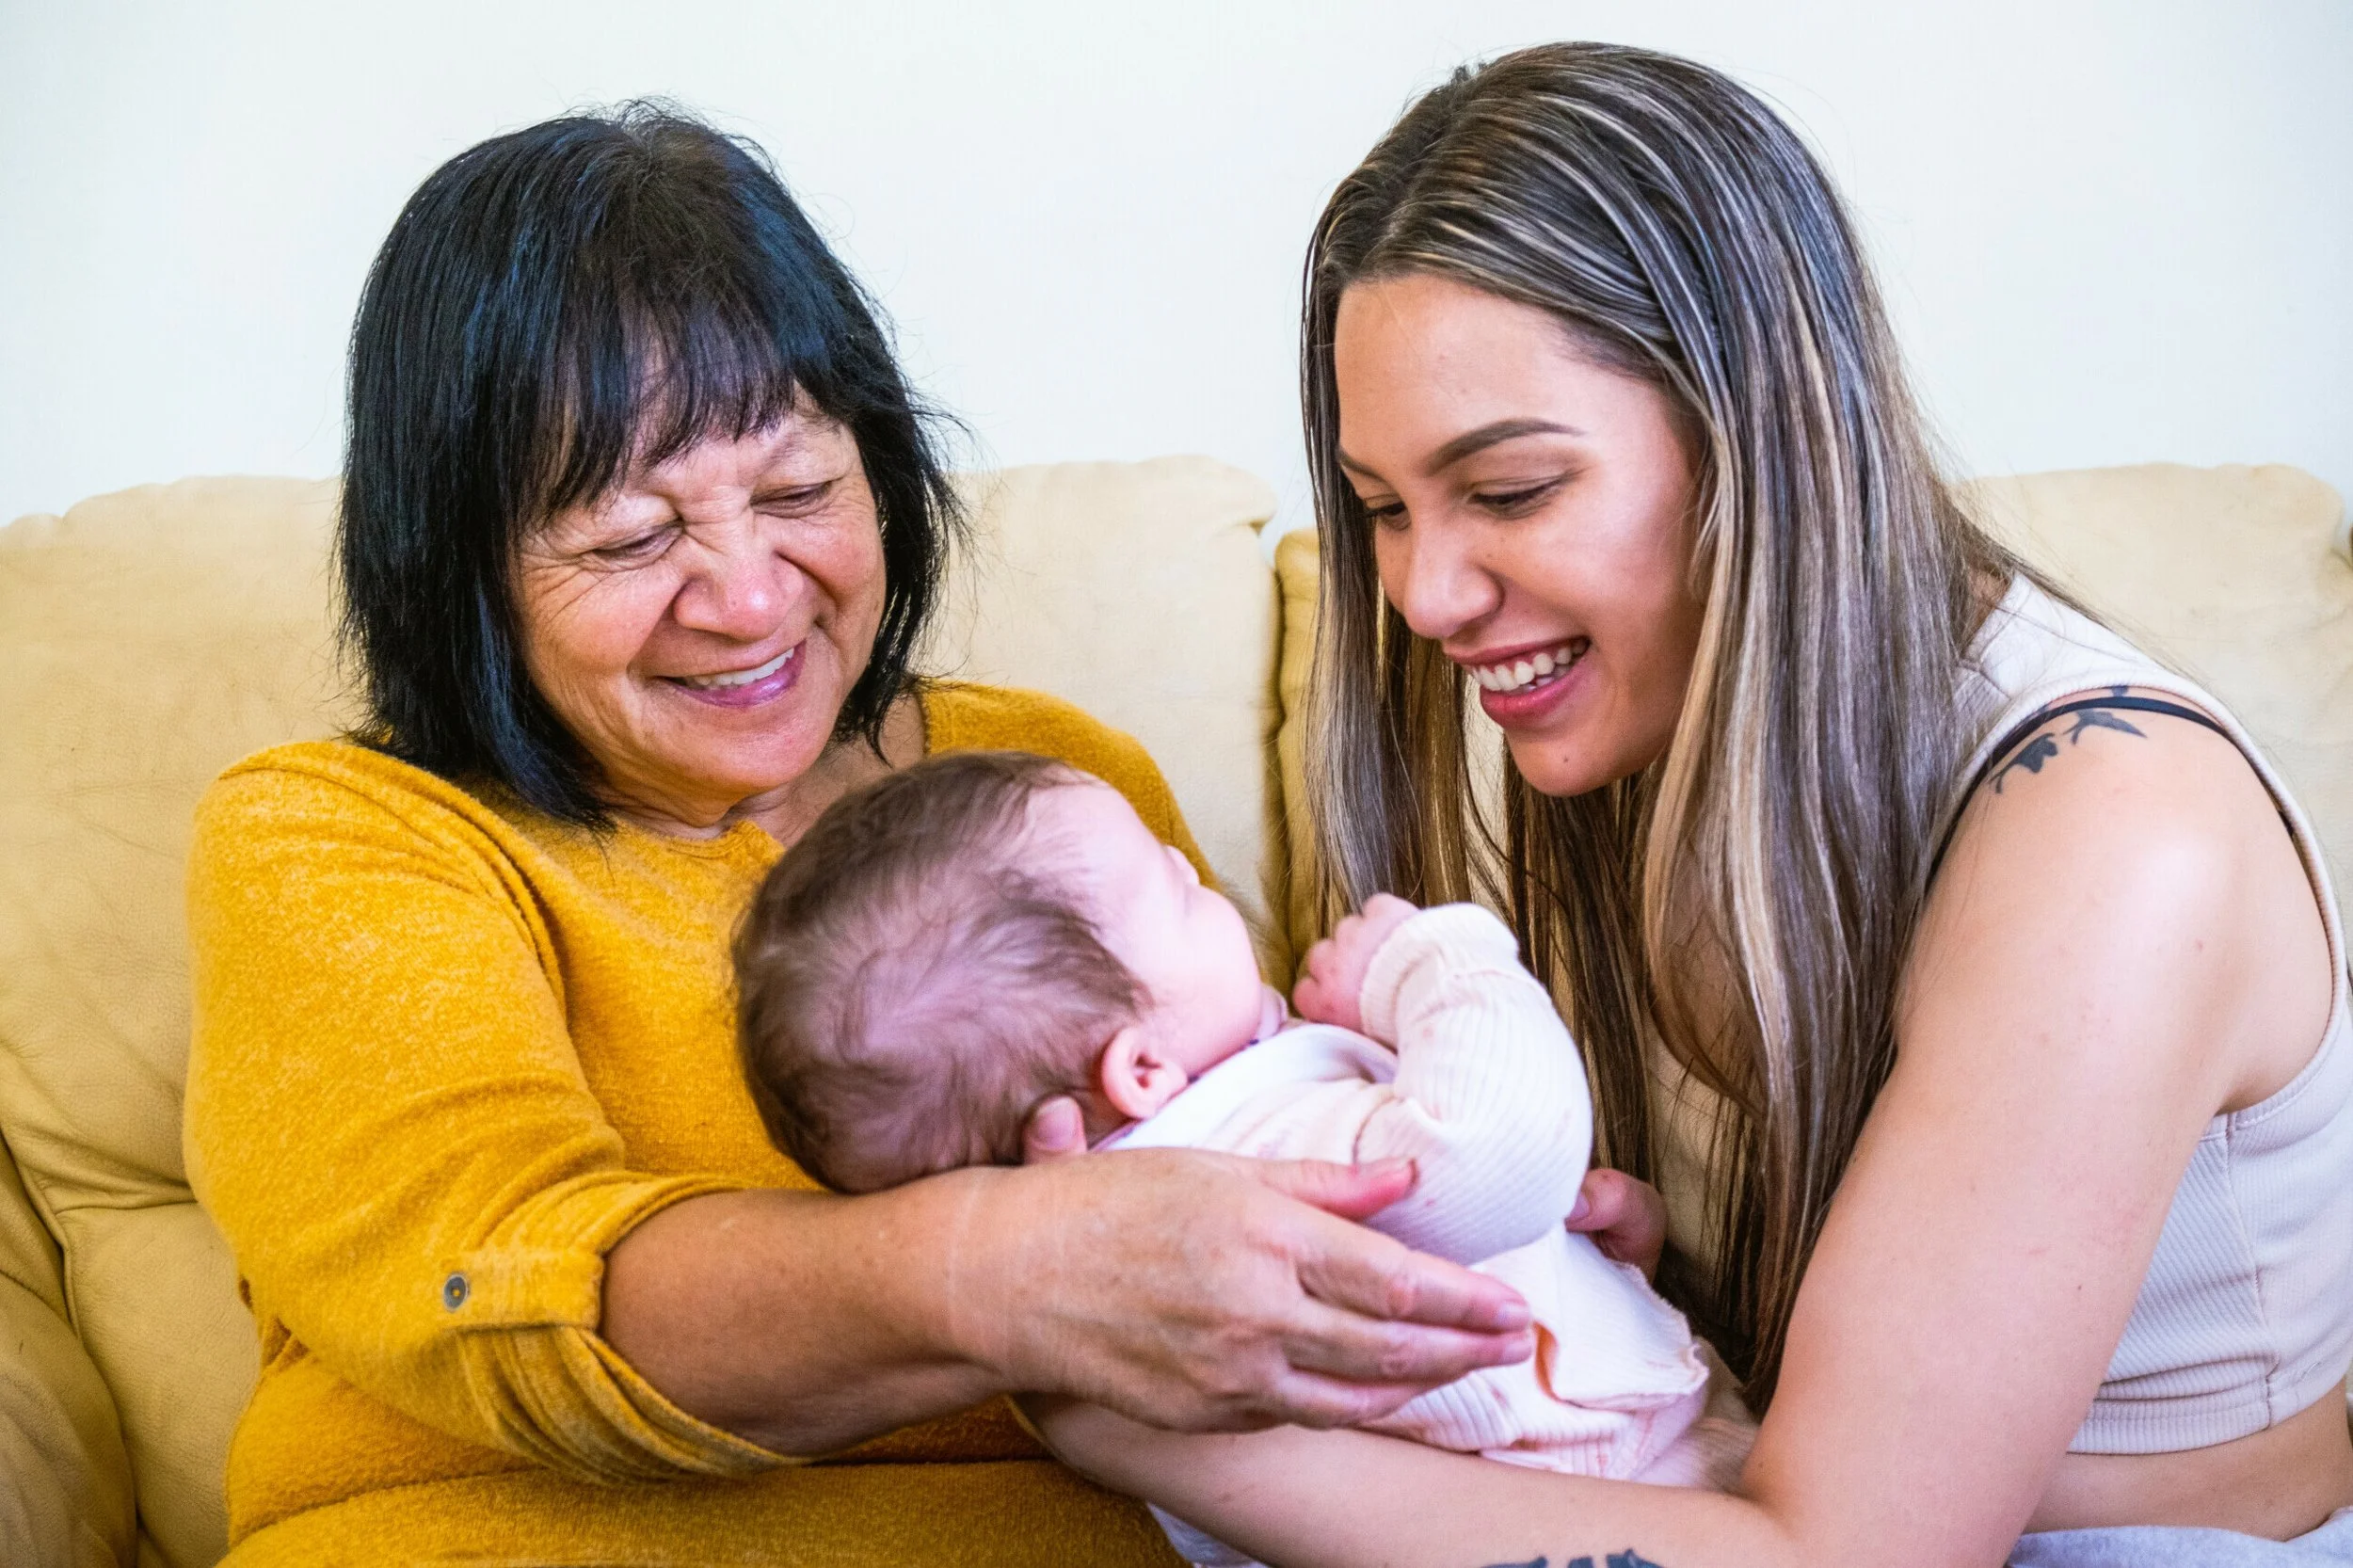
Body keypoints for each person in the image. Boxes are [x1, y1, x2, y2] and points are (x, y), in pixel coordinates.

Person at [1024, 41, 2353, 1568]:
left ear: (1758, 441)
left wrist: (1148, 1429)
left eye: (1511, 490)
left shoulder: (2112, 829)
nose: (1426, 594)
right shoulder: (1648, 721)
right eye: (1384, 508)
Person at [180, 106, 1537, 1564]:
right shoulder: (343, 837)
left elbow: (1267, 1145)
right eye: (635, 538)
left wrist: (1512, 1241)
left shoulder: (1048, 780)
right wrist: (997, 1267)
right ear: (459, 568)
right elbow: (508, 1295)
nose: (752, 599)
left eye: (799, 489)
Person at [729, 749, 1756, 1562]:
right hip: (1631, 1493)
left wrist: (1603, 1264)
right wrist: (1433, 958)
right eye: (1177, 893)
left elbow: (1461, 1273)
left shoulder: (1135, 1238)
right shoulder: (1238, 1161)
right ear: (1139, 1069)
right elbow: (1491, 1151)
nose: (1201, 876)